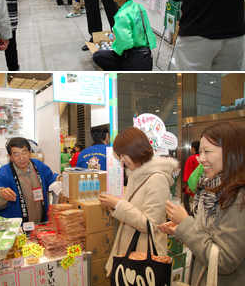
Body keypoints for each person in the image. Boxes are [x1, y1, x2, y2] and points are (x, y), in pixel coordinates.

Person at [157, 122, 245, 286]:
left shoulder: (238, 197)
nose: (200, 158)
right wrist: (181, 229)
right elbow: (209, 240)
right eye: (200, 152)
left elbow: (224, 260)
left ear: (231, 152)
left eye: (207, 152)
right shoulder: (210, 190)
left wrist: (186, 223)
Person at [99, 126, 178, 277]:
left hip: (144, 258)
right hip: (131, 252)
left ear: (135, 150)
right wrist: (116, 204)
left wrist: (118, 204)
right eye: (119, 156)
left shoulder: (157, 178)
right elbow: (134, 208)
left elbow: (151, 224)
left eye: (123, 155)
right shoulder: (137, 174)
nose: (121, 160)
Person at [0, 137, 60, 223]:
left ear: (30, 152)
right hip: (17, 228)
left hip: (40, 225)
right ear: (10, 157)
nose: (21, 158)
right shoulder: (4, 172)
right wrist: (1, 194)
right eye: (16, 154)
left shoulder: (38, 165)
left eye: (24, 152)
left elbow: (49, 178)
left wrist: (59, 178)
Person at [93, 0, 156, 71]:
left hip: (132, 58)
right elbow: (148, 31)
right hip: (145, 54)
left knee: (97, 56)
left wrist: (115, 40)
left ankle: (123, 71)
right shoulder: (139, 7)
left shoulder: (122, 15)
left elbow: (125, 44)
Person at [182, 140, 200, 215]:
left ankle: (189, 214)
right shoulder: (202, 158)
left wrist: (188, 184)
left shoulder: (191, 158)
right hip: (202, 183)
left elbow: (188, 172)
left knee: (185, 198)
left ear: (193, 148)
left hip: (192, 183)